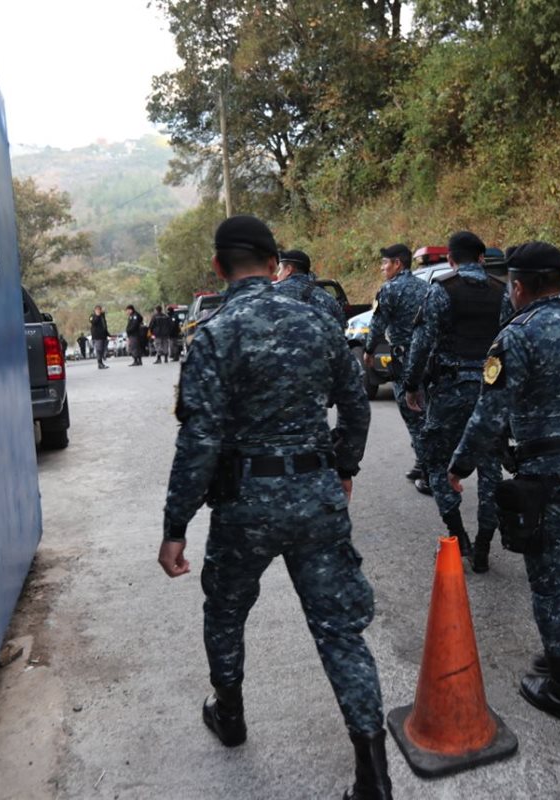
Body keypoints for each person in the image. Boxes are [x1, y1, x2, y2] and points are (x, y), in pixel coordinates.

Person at [158, 215, 391, 798]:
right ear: (273, 265)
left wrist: (176, 526)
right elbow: (356, 407)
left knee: (225, 611)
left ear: (219, 268)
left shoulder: (214, 335)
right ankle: (373, 775)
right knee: (340, 631)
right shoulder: (320, 323)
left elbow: (199, 441)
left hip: (244, 505)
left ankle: (230, 716)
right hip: (315, 496)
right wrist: (344, 467)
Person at [448, 242, 560, 724]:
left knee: (549, 582)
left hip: (551, 481)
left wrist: (459, 465)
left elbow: (489, 414)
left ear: (519, 287)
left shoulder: (516, 336)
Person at [403, 231, 504, 570]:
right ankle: (485, 544)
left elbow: (421, 343)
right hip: (490, 390)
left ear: (450, 259)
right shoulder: (502, 291)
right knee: (490, 468)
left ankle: (458, 537)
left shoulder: (441, 290)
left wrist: (412, 385)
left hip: (450, 390)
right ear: (482, 258)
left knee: (435, 462)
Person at [366, 243, 428, 489]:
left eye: (385, 263)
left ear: (397, 264)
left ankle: (427, 466)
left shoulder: (390, 289)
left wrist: (369, 350)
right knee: (425, 409)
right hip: (428, 358)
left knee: (412, 412)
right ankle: (422, 461)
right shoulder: (426, 287)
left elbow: (377, 324)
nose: (382, 268)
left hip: (404, 360)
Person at [274, 248, 346, 325]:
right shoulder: (328, 298)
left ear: (288, 269)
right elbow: (342, 326)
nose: (278, 274)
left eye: (280, 269)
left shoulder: (274, 292)